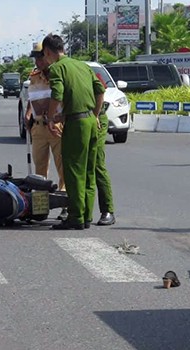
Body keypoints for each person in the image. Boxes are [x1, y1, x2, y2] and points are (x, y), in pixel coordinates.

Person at [42, 33, 105, 230]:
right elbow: (100, 89)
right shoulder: (82, 66)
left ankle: (76, 217)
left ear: (48, 52)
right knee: (88, 171)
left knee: (74, 171)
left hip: (76, 126)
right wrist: (94, 114)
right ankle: (86, 215)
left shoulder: (57, 68)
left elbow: (57, 95)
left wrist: (51, 118)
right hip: (89, 122)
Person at [24, 42, 67, 221]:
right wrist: (27, 114)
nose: (38, 61)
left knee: (62, 168)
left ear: (48, 55)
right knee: (39, 168)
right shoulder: (34, 76)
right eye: (35, 58)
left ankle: (65, 205)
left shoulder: (59, 73)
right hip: (39, 126)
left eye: (41, 57)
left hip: (57, 126)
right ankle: (41, 207)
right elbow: (32, 97)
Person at [94, 73, 116, 226]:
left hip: (95, 118)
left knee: (96, 163)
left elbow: (101, 90)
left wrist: (95, 114)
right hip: (73, 120)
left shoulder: (85, 71)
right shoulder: (52, 74)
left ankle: (107, 210)